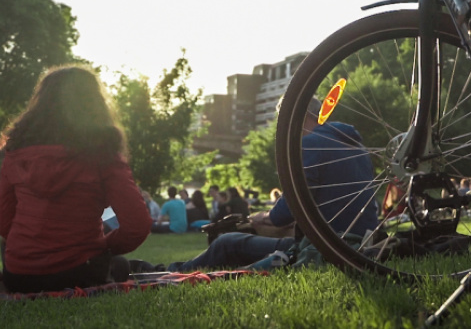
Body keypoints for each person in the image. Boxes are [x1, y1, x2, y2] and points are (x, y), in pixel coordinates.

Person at [137, 98, 378, 272]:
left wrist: (265, 217)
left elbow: (285, 212)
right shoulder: (356, 146)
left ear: (296, 116)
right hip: (358, 241)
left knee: (227, 243)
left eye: (282, 122)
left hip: (328, 245)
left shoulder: (311, 143)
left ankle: (170, 272)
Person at [0, 65, 152, 293]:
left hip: (19, 277)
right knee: (121, 265)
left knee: (120, 265)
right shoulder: (103, 153)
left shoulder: (16, 152)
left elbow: (5, 224)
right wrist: (102, 246)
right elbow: (137, 226)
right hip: (79, 272)